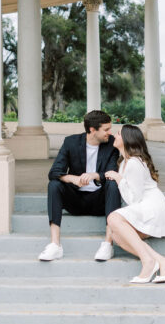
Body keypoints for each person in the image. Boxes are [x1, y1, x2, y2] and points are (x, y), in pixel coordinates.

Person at [106, 124, 165, 284]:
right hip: (143, 206)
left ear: (127, 139)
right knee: (116, 235)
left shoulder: (135, 163)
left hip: (151, 207)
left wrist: (118, 178)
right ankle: (163, 262)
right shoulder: (124, 163)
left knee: (113, 218)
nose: (115, 135)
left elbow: (134, 199)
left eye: (119, 133)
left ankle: (148, 262)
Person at [39, 109, 122, 262]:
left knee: (113, 183)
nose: (110, 133)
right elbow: (54, 172)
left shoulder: (111, 144)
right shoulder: (71, 142)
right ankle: (55, 245)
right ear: (92, 129)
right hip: (75, 200)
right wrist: (73, 178)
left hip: (100, 201)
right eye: (106, 129)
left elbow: (113, 171)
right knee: (54, 185)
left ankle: (107, 244)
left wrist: (95, 175)